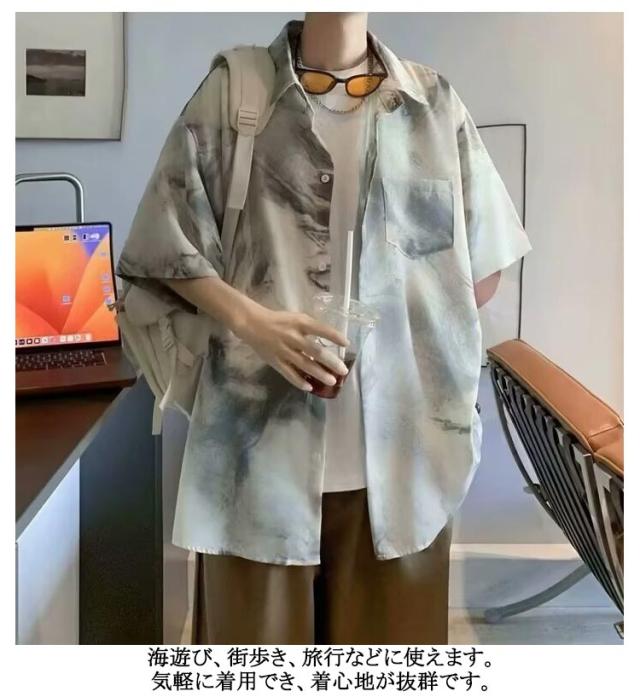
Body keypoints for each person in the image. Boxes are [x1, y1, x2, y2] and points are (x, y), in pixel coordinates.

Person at [116, 12, 532, 644]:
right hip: (256, 464)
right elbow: (161, 250)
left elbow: (481, 265)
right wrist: (254, 322)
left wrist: (401, 337)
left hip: (405, 468)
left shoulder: (431, 104)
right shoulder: (237, 93)